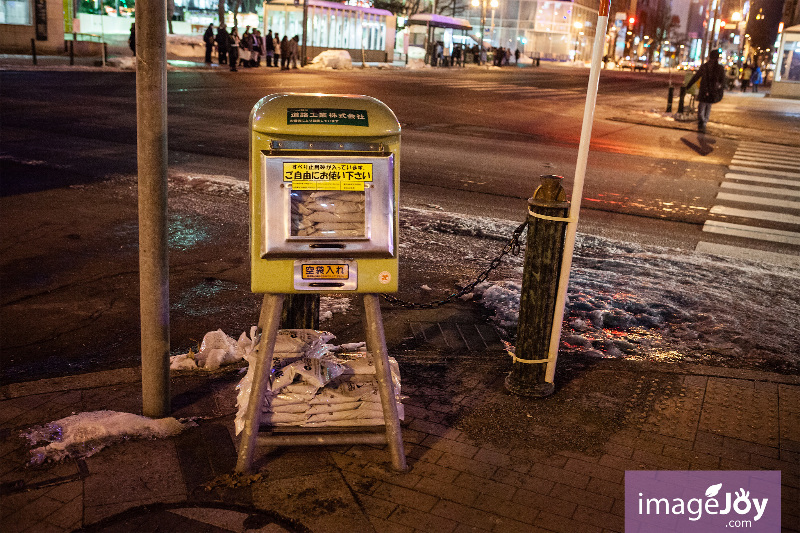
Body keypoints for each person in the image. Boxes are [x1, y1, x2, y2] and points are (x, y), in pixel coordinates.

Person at [685, 49, 725, 133]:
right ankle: (704, 122)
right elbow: (723, 81)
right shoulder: (720, 68)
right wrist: (720, 89)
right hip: (713, 90)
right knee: (708, 106)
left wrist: (688, 86)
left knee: (702, 106)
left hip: (704, 89)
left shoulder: (705, 66)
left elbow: (696, 77)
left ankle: (702, 121)